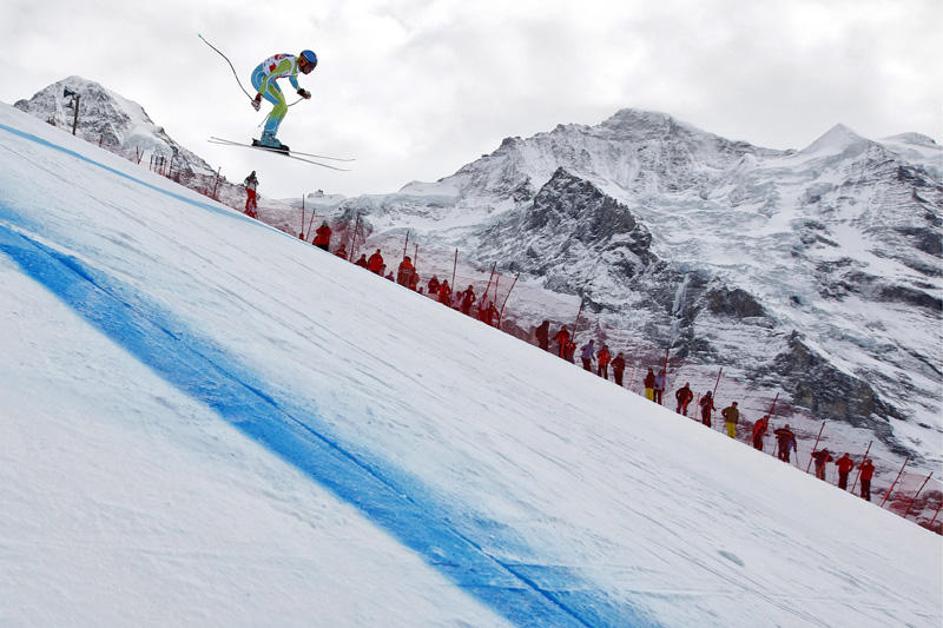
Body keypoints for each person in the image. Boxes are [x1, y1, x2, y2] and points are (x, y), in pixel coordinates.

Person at [250, 50, 317, 151]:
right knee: (280, 105)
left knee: (284, 108)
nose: (310, 71)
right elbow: (269, 77)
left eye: (312, 69)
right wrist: (259, 97)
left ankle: (270, 136)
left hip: (268, 79)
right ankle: (266, 137)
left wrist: (300, 91)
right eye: (309, 67)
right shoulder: (287, 64)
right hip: (260, 77)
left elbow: (293, 78)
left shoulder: (297, 66)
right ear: (303, 62)